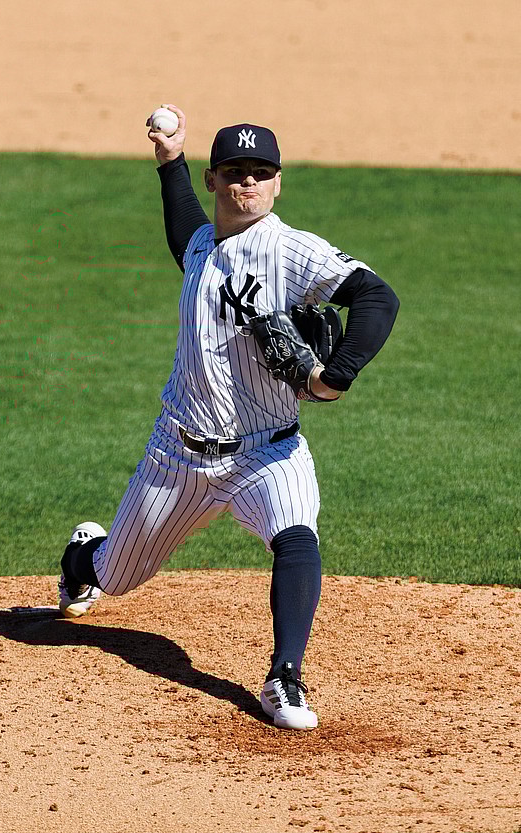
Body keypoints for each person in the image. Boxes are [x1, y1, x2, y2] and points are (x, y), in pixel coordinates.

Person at [57, 104, 399, 730]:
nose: (247, 183)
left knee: (297, 535)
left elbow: (377, 295)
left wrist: (334, 374)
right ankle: (82, 556)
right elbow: (184, 228)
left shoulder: (292, 250)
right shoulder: (199, 246)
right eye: (234, 172)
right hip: (177, 458)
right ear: (215, 180)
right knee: (116, 575)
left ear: (277, 182)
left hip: (267, 453)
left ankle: (284, 677)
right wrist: (168, 163)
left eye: (260, 172)